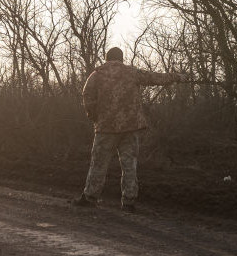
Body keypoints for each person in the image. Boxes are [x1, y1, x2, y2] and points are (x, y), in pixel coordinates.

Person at [73, 47, 189, 213]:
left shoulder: (97, 75)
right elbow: (156, 77)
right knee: (130, 165)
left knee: (98, 163)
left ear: (107, 58)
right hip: (131, 127)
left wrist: (93, 116)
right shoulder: (132, 73)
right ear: (121, 59)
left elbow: (87, 95)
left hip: (106, 128)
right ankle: (129, 202)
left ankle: (90, 197)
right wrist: (177, 77)